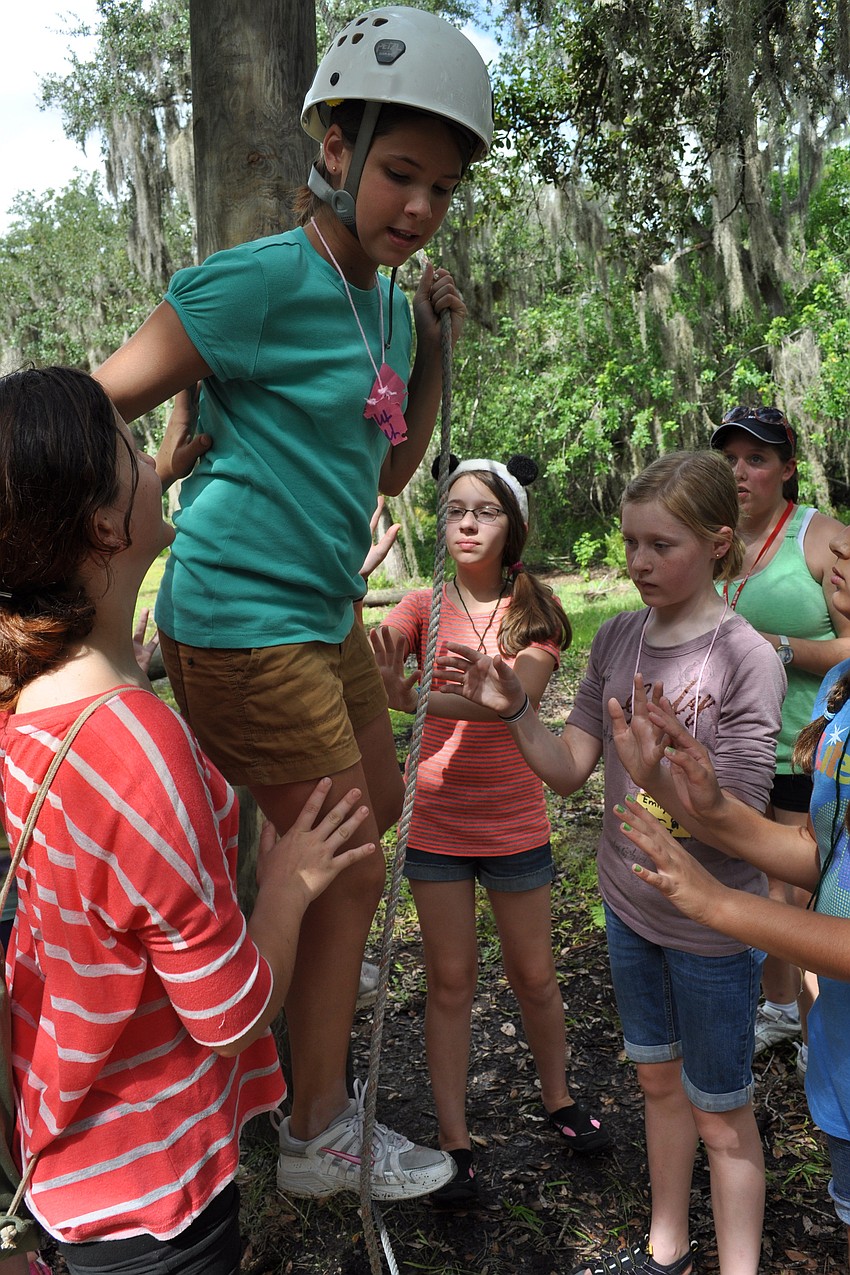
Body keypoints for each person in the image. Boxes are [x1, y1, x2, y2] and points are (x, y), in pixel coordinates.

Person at [93, 6, 493, 1199]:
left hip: (318, 616)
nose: (418, 208)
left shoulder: (379, 300)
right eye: (399, 174)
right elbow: (94, 394)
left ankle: (254, 986)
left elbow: (381, 472)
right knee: (350, 866)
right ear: (334, 149)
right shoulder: (261, 283)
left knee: (369, 806)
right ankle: (314, 1134)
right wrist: (102, 509)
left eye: (442, 188)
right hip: (237, 617)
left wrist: (431, 354)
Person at [0, 366, 381, 1273]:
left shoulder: (29, 705)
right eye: (133, 451)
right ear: (99, 525)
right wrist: (286, 887)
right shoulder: (138, 752)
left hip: (67, 1148)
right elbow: (233, 1012)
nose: (154, 462)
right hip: (154, 1193)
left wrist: (153, 472)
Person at [436, 451, 786, 1275]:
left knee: (724, 1116)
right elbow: (567, 767)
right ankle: (665, 1248)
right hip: (631, 911)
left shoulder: (746, 659)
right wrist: (517, 709)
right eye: (630, 543)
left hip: (711, 929)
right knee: (658, 1085)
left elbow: (737, 824)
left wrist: (662, 770)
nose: (637, 563)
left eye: (661, 545)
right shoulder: (621, 636)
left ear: (717, 543)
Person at [609, 511, 850, 1269]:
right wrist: (699, 805)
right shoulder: (840, 689)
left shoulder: (748, 655)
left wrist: (716, 903)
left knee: (721, 1107)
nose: (840, 551)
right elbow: (825, 857)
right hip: (842, 1057)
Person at [370, 454, 607, 1207]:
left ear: (515, 526)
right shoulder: (420, 604)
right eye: (454, 509)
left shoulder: (536, 612)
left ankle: (559, 1096)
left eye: (485, 510)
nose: (466, 521)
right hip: (435, 823)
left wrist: (417, 705)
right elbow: (373, 653)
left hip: (512, 825)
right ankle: (454, 1137)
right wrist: (379, 671)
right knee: (450, 981)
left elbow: (515, 699)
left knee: (534, 975)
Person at [710, 405, 850, 1077]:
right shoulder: (708, 535)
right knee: (738, 877)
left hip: (805, 743)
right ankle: (776, 1008)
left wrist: (778, 647)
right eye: (731, 458)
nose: (740, 471)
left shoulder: (821, 538)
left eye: (757, 458)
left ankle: (814, 1025)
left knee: (795, 892)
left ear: (788, 469)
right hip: (731, 743)